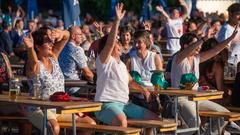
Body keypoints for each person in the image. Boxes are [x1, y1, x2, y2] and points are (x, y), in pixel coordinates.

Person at [94, 3, 160, 135]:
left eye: (118, 43)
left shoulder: (122, 64)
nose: (118, 44)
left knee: (154, 119)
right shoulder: (104, 60)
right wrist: (117, 21)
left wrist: (144, 90)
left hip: (125, 104)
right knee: (121, 121)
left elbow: (130, 81)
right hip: (106, 104)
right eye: (116, 43)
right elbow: (110, 42)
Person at [23, 26, 96, 135]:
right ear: (38, 47)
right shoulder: (34, 65)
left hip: (59, 108)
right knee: (54, 128)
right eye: (48, 42)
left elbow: (67, 36)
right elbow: (33, 61)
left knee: (90, 124)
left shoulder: (54, 57)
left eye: (51, 41)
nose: (52, 44)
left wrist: (61, 33)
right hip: (40, 109)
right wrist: (30, 48)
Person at [171, 28, 239, 134]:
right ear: (185, 46)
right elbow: (187, 51)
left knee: (224, 114)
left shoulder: (196, 58)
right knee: (195, 123)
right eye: (195, 44)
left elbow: (216, 50)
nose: (199, 47)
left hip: (197, 98)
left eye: (199, 44)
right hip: (181, 99)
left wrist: (231, 38)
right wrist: (203, 39)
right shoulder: (178, 58)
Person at [59, 26, 94, 96]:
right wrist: (95, 79)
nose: (82, 36)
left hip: (63, 86)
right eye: (80, 34)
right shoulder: (76, 49)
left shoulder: (62, 47)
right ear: (73, 36)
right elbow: (88, 74)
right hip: (75, 87)